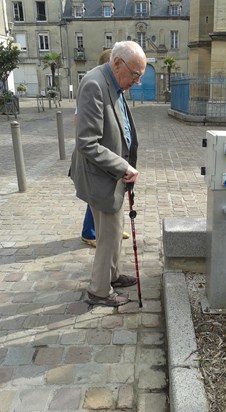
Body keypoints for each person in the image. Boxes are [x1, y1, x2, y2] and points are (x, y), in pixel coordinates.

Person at [70, 41, 147, 307]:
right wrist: (122, 166)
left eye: (140, 76)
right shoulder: (94, 84)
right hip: (99, 176)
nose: (136, 81)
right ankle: (99, 291)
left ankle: (112, 275)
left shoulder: (113, 82)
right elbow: (87, 143)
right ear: (117, 63)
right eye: (135, 75)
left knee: (116, 230)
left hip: (111, 175)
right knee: (106, 237)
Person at [80, 49, 129, 247]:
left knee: (104, 207)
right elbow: (87, 141)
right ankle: (90, 232)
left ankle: (106, 231)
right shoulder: (94, 85)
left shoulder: (115, 89)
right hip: (98, 163)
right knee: (96, 201)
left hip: (110, 163)